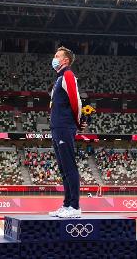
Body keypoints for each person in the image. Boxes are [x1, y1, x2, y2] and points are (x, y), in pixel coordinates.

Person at [47, 46, 85, 219]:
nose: (54, 58)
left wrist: (78, 122)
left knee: (69, 167)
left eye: (57, 55)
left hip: (64, 126)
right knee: (63, 168)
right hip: (57, 126)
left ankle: (75, 206)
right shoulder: (59, 78)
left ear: (65, 60)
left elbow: (75, 100)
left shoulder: (68, 75)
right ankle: (67, 204)